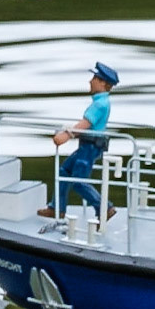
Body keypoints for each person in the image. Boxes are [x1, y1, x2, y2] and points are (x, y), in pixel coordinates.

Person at [40, 62, 120, 219]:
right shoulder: (100, 102)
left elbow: (84, 125)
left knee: (78, 181)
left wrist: (65, 136)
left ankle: (105, 208)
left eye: (94, 78)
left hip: (89, 148)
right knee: (65, 171)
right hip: (86, 146)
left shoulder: (99, 105)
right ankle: (56, 208)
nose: (90, 81)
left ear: (103, 83)